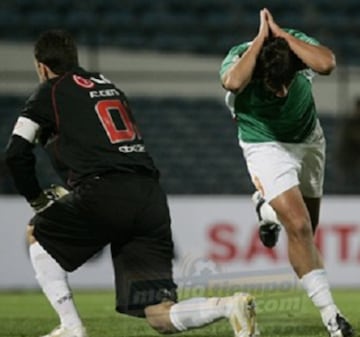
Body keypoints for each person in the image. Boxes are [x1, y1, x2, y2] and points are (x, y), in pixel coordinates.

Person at [5, 29, 257, 337]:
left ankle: (71, 327)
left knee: (36, 233)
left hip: (104, 191)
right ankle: (229, 307)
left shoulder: (50, 91)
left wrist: (37, 199)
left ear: (41, 67)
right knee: (159, 315)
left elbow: (15, 153)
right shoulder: (108, 85)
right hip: (149, 196)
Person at [220, 8, 354, 337]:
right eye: (272, 85)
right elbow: (232, 81)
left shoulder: (293, 50)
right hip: (265, 146)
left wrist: (281, 34)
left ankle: (265, 208)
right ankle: (332, 317)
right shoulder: (241, 60)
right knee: (298, 225)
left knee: (310, 226)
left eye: (286, 83)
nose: (280, 91)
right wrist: (259, 39)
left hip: (309, 140)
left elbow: (326, 64)